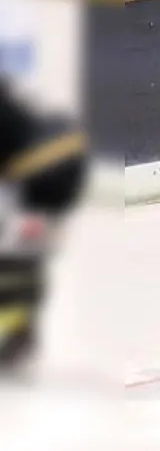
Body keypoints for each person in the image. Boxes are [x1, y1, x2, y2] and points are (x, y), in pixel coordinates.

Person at [0, 82, 86, 373]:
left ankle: (19, 333)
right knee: (22, 254)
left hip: (43, 173)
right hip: (61, 159)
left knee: (16, 256)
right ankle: (20, 332)